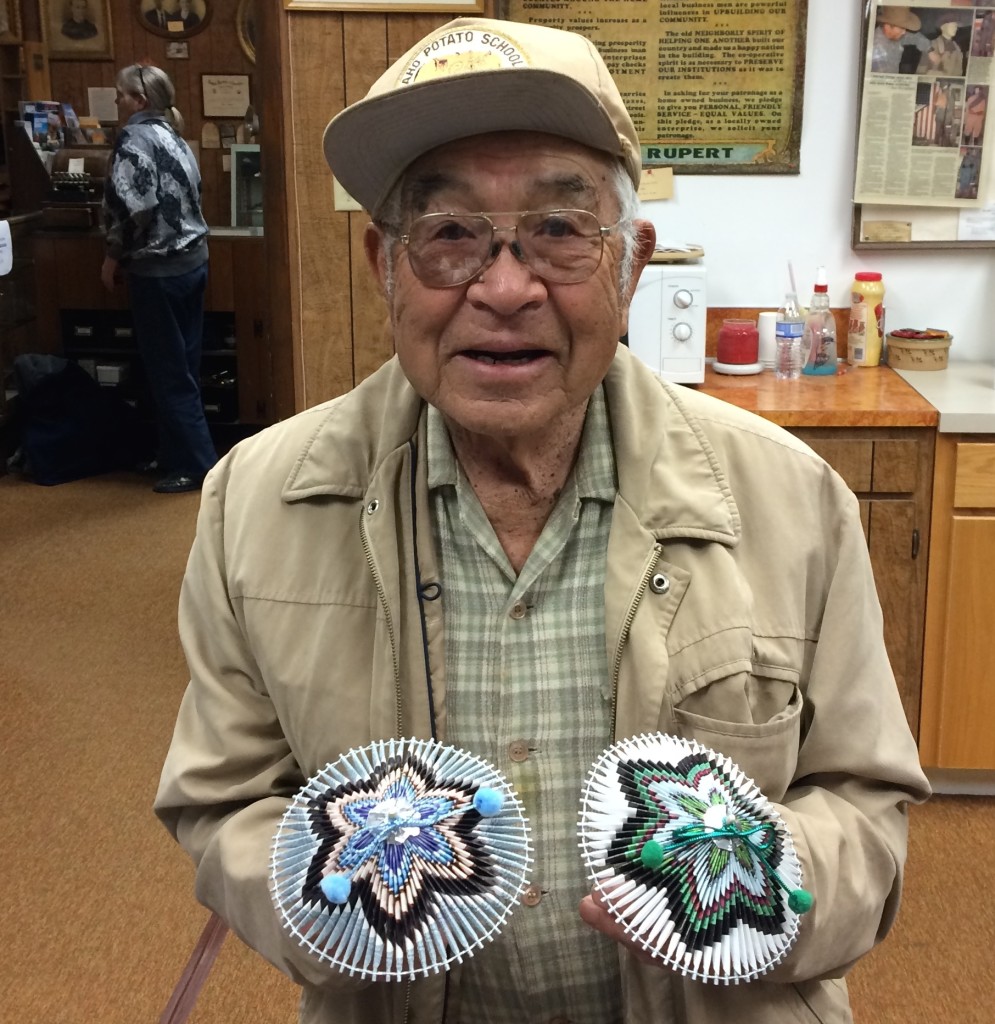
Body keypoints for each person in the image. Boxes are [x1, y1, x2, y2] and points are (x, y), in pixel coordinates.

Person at [155, 16, 930, 1024]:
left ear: (632, 263)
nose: (505, 286)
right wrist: (317, 895)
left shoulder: (787, 499)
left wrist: (759, 889)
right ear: (380, 264)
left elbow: (865, 809)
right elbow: (221, 801)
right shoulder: (256, 503)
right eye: (447, 237)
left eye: (560, 232)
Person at [101, 64, 216, 493]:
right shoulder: (175, 135)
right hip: (193, 262)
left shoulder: (134, 138)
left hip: (158, 270)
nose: (117, 103)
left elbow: (138, 207)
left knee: (169, 373)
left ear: (140, 101)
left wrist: (114, 255)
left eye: (121, 96)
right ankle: (174, 457)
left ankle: (200, 466)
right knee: (183, 368)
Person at [872, 6, 932, 72]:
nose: (904, 32)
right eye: (902, 28)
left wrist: (930, 50)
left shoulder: (894, 36)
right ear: (887, 26)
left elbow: (914, 37)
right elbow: (886, 80)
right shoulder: (877, 49)